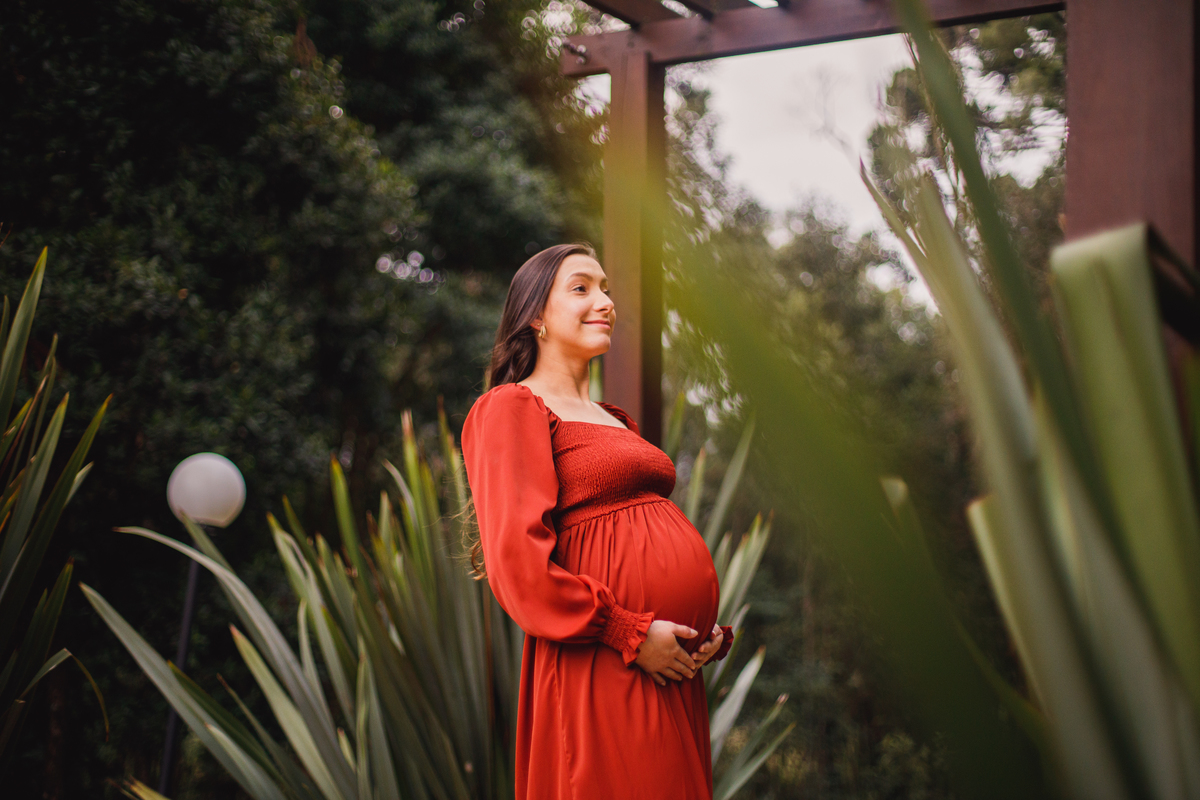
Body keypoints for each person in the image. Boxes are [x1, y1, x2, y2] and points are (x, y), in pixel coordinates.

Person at [460, 242, 735, 800]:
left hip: (667, 667)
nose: (605, 301)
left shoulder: (613, 420)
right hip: (606, 661)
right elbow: (519, 569)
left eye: (606, 288)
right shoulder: (512, 407)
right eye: (582, 288)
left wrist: (702, 635)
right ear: (535, 315)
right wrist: (627, 632)